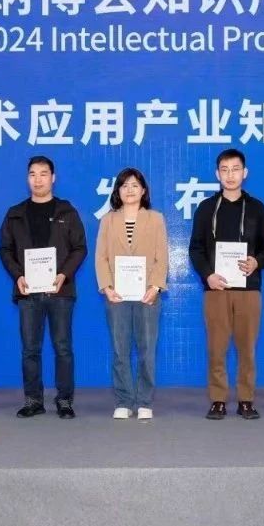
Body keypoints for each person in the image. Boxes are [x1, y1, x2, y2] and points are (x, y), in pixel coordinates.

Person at [188, 148, 264, 420]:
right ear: (217, 174)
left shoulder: (257, 208)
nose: (230, 175)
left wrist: (257, 261)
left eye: (235, 169)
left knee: (247, 349)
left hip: (248, 290)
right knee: (216, 348)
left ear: (244, 173)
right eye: (225, 170)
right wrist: (207, 275)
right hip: (216, 289)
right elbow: (196, 248)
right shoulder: (206, 208)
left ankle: (246, 400)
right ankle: (218, 400)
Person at [0, 156, 88, 419]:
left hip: (60, 291)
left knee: (63, 348)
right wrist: (17, 275)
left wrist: (63, 274)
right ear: (27, 178)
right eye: (33, 174)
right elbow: (5, 250)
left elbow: (80, 248)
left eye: (43, 174)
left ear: (53, 178)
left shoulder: (67, 211)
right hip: (28, 292)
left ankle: (65, 400)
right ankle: (33, 400)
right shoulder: (15, 214)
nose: (38, 180)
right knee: (30, 349)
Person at [94, 168, 169, 421]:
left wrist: (155, 287)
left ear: (143, 190)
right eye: (124, 185)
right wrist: (107, 287)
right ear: (118, 190)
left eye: (135, 185)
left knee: (147, 350)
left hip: (148, 295)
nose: (130, 190)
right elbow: (101, 257)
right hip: (117, 296)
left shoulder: (156, 219)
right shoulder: (108, 220)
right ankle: (124, 400)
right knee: (120, 349)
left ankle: (144, 400)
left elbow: (162, 257)